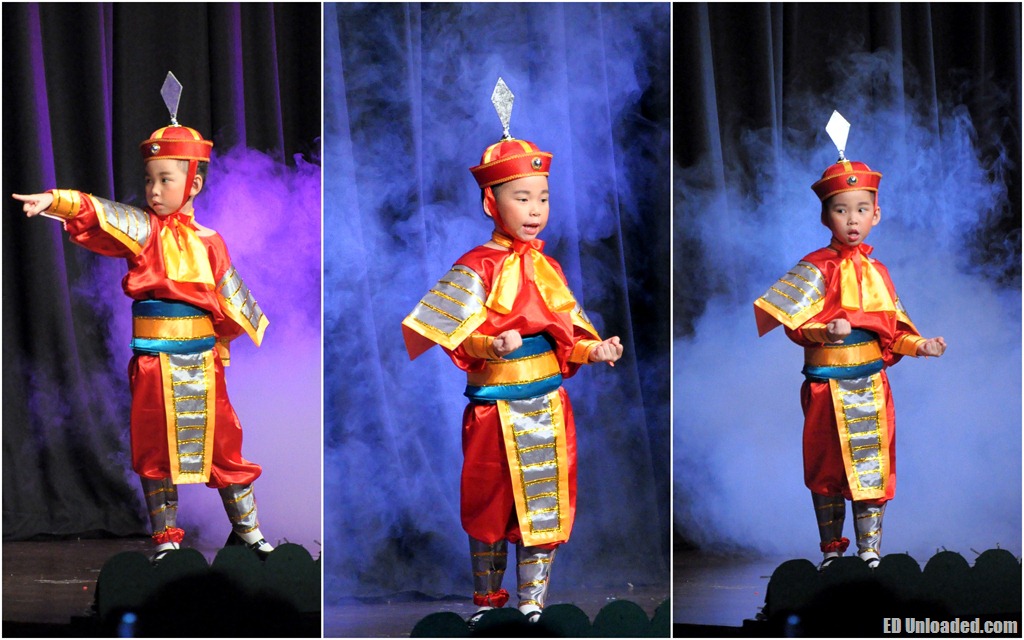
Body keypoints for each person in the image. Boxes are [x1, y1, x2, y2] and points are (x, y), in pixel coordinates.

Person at [12, 84, 274, 564]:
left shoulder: (212, 241)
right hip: (154, 364)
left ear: (193, 183)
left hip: (203, 365)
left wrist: (222, 350)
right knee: (155, 451)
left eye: (165, 180)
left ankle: (251, 535)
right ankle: (166, 541)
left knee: (224, 446)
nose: (153, 190)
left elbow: (229, 305)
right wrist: (53, 200)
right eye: (149, 180)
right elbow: (97, 212)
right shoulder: (144, 230)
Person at [401, 80, 623, 624]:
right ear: (490, 201)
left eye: (542, 197)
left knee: (542, 505)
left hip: (546, 403)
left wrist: (595, 350)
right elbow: (447, 333)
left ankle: (532, 609)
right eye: (522, 197)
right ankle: (486, 606)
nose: (535, 209)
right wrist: (489, 343)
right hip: (494, 409)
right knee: (489, 504)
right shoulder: (475, 266)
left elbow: (568, 331)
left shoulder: (547, 267)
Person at [753, 122, 946, 570]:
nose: (853, 219)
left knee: (872, 467)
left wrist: (922, 346)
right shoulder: (815, 268)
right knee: (827, 468)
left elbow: (892, 333)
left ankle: (870, 551)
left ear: (876, 214)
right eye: (842, 210)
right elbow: (794, 324)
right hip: (827, 385)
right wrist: (827, 333)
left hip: (872, 384)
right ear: (826, 217)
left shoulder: (879, 273)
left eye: (862, 209)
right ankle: (832, 553)